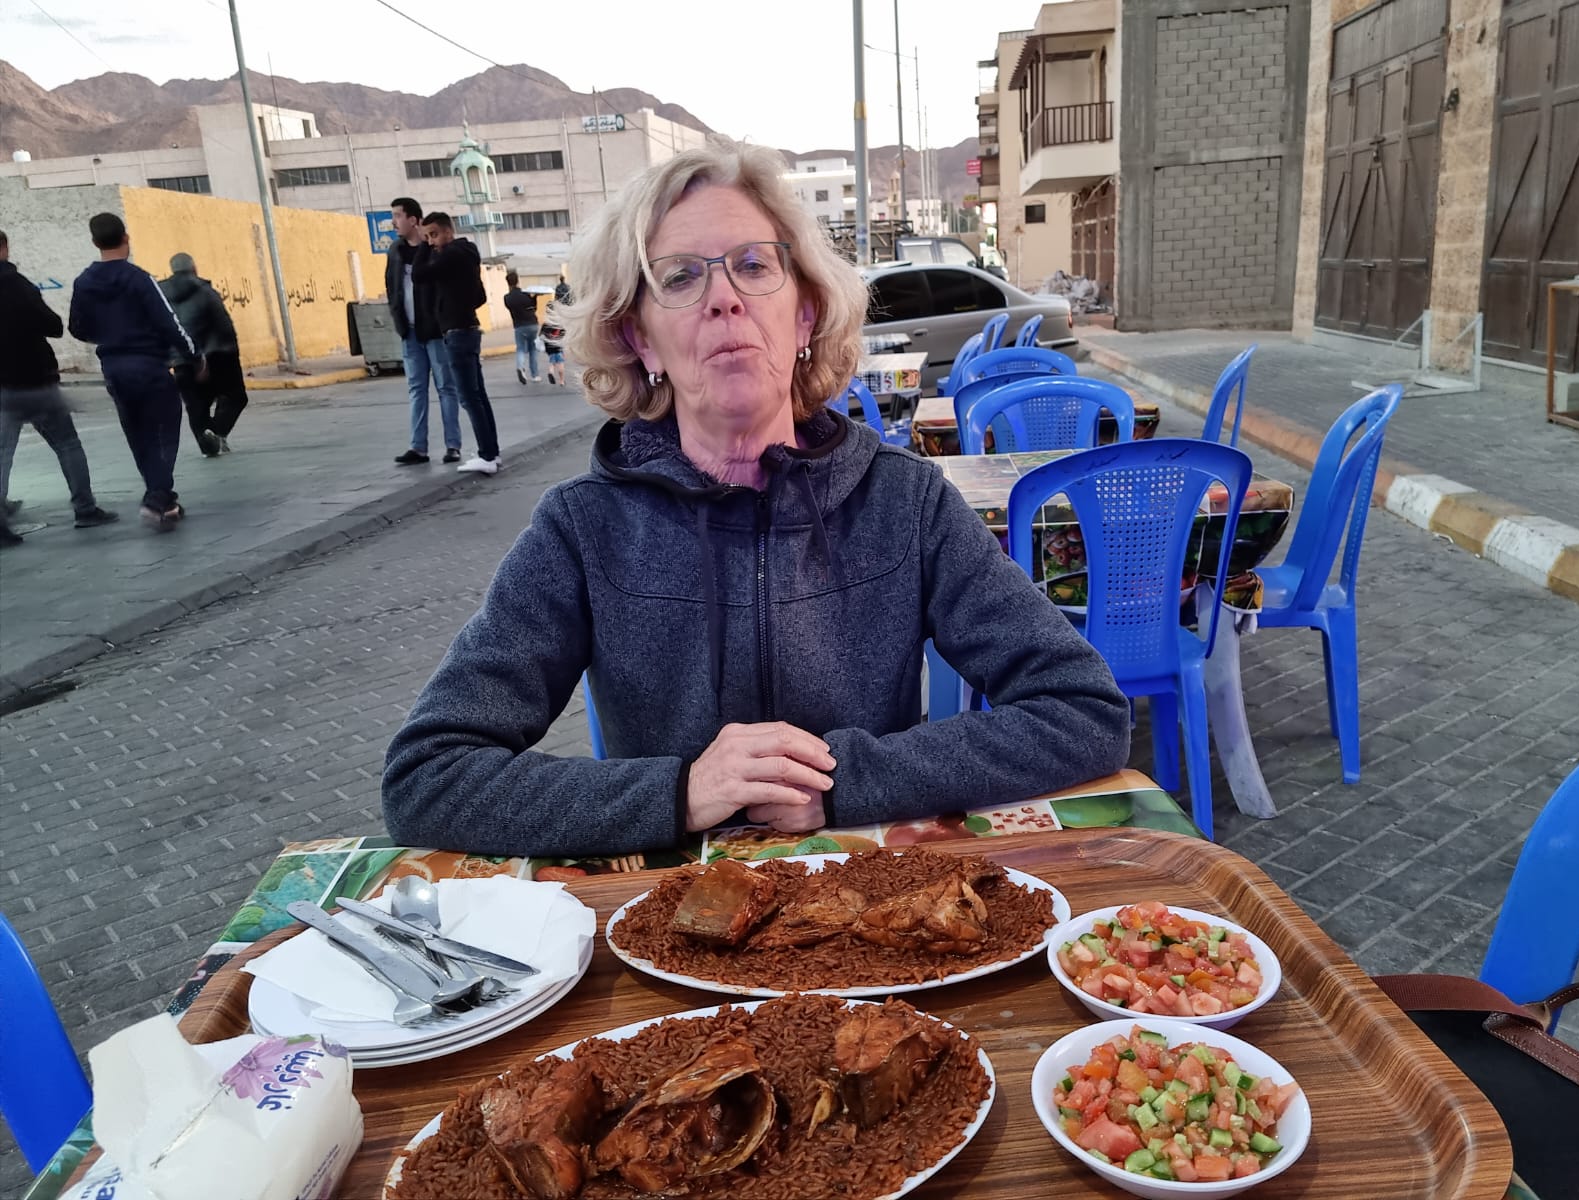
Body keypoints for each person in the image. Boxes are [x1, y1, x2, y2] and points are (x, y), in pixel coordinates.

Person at [382, 139, 1130, 861]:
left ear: (803, 314)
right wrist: (677, 793)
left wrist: (848, 781)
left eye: (752, 266)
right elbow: (428, 777)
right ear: (638, 339)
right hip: (667, 939)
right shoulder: (582, 529)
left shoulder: (907, 503)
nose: (724, 300)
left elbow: (1082, 710)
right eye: (678, 277)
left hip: (882, 919)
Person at [68, 212, 200, 530]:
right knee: (165, 431)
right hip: (148, 365)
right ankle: (157, 497)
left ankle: (164, 499)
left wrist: (106, 336)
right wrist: (194, 355)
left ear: (94, 242)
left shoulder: (83, 283)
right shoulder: (139, 279)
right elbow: (169, 322)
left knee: (137, 433)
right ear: (125, 238)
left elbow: (76, 327)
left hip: (114, 368)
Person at [0, 229, 118, 546]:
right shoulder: (17, 285)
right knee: (67, 444)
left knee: (2, 455)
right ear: (4, 248)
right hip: (35, 381)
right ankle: (85, 509)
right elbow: (52, 325)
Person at [413, 212, 500, 475]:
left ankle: (487, 456)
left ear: (448, 232)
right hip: (468, 328)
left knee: (469, 397)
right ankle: (491, 453)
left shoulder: (450, 255)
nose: (430, 242)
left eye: (433, 235)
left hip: (459, 332)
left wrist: (419, 246)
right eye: (427, 236)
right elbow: (479, 296)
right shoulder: (466, 254)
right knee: (478, 396)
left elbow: (419, 275)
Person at [385, 197, 462, 466]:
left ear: (413, 220)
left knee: (446, 387)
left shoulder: (434, 250)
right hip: (409, 332)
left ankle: (453, 445)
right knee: (416, 389)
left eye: (397, 216)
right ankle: (418, 448)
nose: (393, 222)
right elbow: (391, 288)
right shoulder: (395, 251)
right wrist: (398, 319)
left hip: (435, 331)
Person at [160, 252, 247, 457]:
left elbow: (156, 327)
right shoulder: (205, 291)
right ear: (194, 268)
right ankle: (216, 434)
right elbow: (224, 326)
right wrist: (230, 355)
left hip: (181, 360)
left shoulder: (159, 294)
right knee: (236, 396)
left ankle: (207, 443)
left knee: (196, 406)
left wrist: (166, 358)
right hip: (215, 354)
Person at [503, 269, 540, 386]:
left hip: (519, 326)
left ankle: (520, 367)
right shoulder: (526, 294)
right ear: (518, 280)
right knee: (533, 350)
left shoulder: (507, 298)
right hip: (532, 324)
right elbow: (533, 308)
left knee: (520, 349)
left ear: (508, 283)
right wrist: (534, 298)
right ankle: (535, 375)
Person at [540, 309, 567, 387]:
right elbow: (564, 334)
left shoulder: (546, 324)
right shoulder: (560, 323)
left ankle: (551, 372)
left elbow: (541, 335)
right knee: (560, 362)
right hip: (558, 346)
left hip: (549, 346)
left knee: (552, 362)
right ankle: (562, 381)